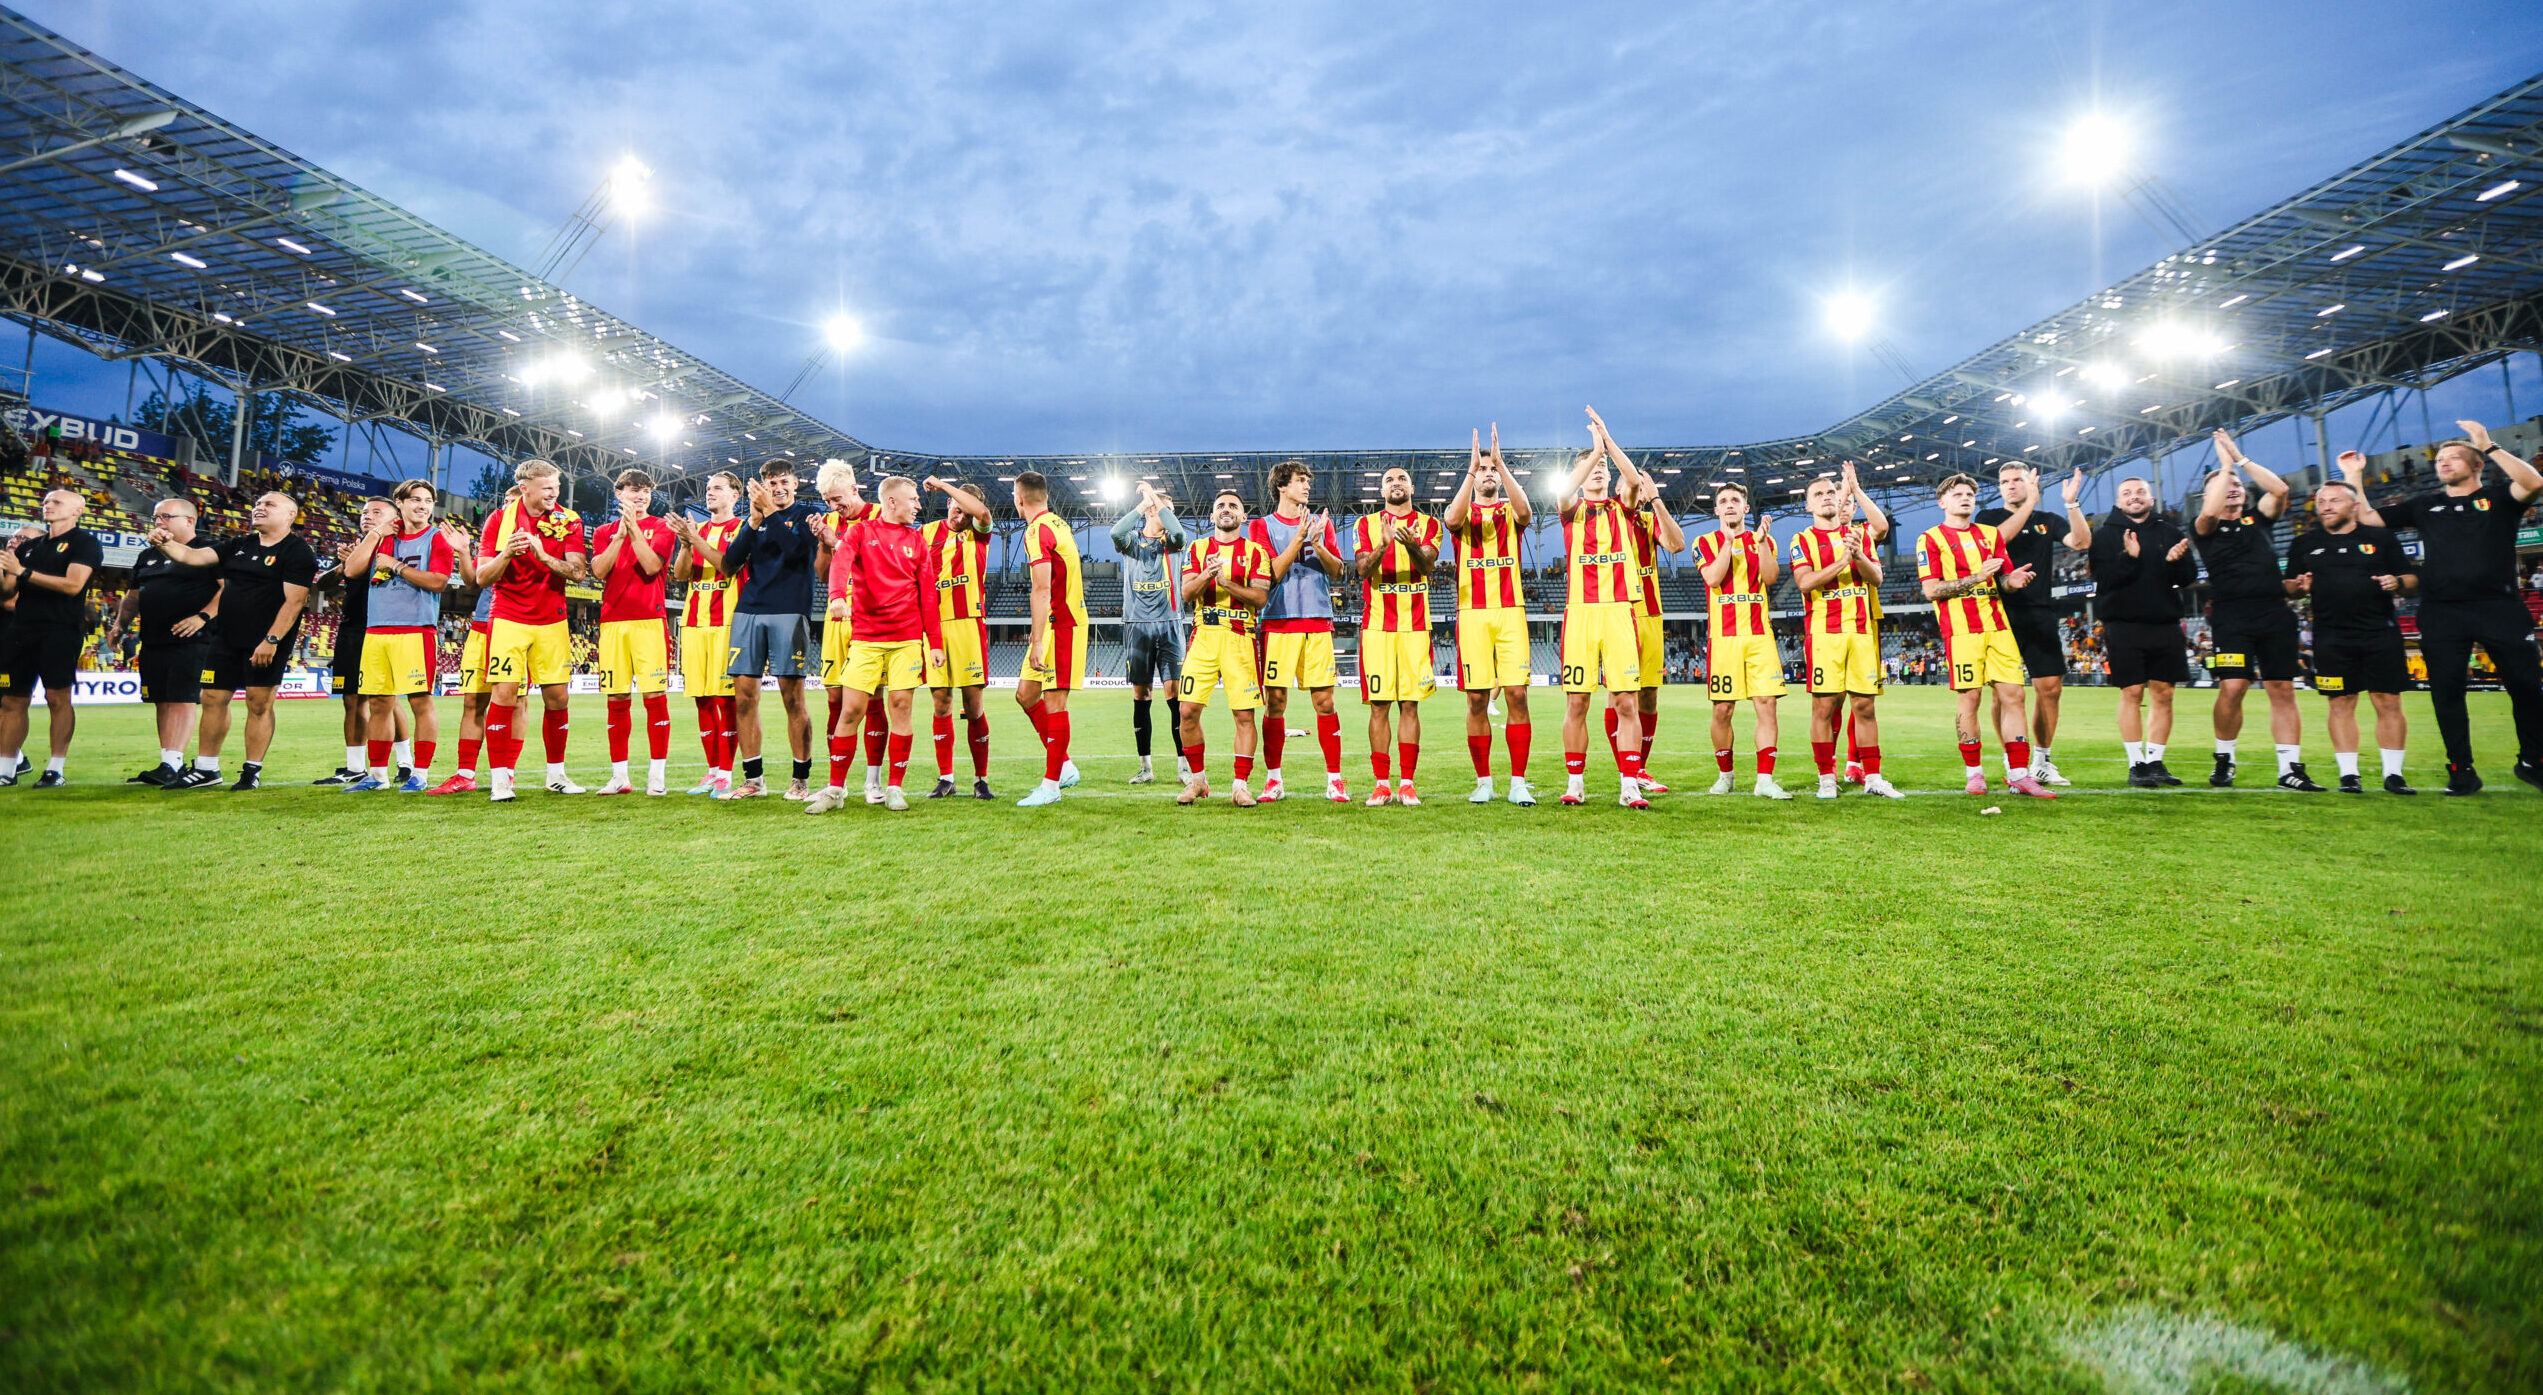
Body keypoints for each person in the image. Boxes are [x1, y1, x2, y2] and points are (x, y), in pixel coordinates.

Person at [2348, 421, 2543, 794]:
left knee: (2526, 686)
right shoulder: (2425, 505)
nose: (2444, 463)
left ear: (2476, 466)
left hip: (2500, 606)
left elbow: (2534, 482)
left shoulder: (2500, 498)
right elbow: (2368, 518)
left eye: (2454, 457)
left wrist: (2488, 445)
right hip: (2441, 611)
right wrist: (2355, 477)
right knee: (2447, 691)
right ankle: (2460, 769)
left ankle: (2533, 761)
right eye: (2440, 459)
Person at [158, 490, 318, 790]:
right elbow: (192, 556)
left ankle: (251, 770)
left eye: (268, 504)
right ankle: (207, 768)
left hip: (265, 640)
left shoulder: (297, 551)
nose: (259, 507)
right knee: (212, 698)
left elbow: (294, 602)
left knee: (259, 703)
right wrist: (166, 544)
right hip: (226, 637)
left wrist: (271, 640)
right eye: (257, 503)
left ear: (290, 515)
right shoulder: (240, 544)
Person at [806, 476, 942, 814]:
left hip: (906, 640)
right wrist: (837, 597)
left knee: (900, 707)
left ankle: (894, 787)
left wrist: (935, 643)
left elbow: (928, 596)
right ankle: (835, 790)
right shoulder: (861, 533)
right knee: (850, 710)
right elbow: (839, 563)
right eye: (913, 499)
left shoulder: (918, 542)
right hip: (866, 639)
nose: (918, 505)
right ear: (892, 502)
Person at [2192, 430, 2319, 791]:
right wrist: (2225, 466)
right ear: (2209, 494)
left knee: (2282, 688)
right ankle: (2225, 759)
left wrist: (2240, 461)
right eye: (2222, 485)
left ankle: (2290, 767)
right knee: (2233, 687)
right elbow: (2209, 511)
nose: (2232, 487)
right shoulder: (2206, 527)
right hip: (2231, 615)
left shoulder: (2257, 519)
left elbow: (2279, 490)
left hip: (2274, 613)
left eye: (2237, 484)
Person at [1917, 473, 2056, 798]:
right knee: (1971, 698)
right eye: (1957, 494)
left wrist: (2013, 581)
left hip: (1998, 626)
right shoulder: (1931, 539)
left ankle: (2019, 774)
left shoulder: (1990, 535)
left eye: (1969, 494)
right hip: (1961, 631)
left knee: (2015, 696)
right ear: (1943, 502)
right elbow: (1932, 590)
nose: (1965, 498)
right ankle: (1974, 773)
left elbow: (2002, 578)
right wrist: (1978, 577)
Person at [2287, 467, 2417, 794]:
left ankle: (2393, 775)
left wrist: (2397, 582)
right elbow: (2289, 587)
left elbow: (2412, 580)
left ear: (2354, 505)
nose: (2325, 506)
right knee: (2340, 703)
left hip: (2380, 632)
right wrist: (2297, 587)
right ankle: (2349, 775)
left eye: (2333, 500)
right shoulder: (2303, 543)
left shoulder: (2381, 538)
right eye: (2321, 501)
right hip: (2331, 636)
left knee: (2388, 700)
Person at [474, 459, 588, 802]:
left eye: (556, 487)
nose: (554, 493)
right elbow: (482, 577)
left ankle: (556, 774)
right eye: (547, 488)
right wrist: (507, 553)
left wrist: (541, 554)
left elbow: (578, 572)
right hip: (508, 616)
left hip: (551, 618)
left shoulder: (569, 521)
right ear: (525, 488)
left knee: (558, 698)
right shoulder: (499, 520)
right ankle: (500, 780)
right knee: (505, 693)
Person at [1554, 409, 1651, 808]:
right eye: (1589, 467)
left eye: (1601, 467)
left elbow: (1633, 480)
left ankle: (1629, 782)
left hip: (1617, 612)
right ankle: (1575, 782)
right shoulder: (1571, 511)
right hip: (1580, 612)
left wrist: (1607, 442)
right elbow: (1563, 492)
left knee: (1626, 700)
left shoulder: (1620, 507)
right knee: (1577, 701)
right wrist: (1594, 453)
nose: (1597, 471)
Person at [708, 458, 821, 799]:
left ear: (795, 482)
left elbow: (797, 551)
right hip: (749, 610)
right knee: (743, 697)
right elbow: (730, 563)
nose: (778, 488)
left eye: (784, 481)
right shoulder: (755, 518)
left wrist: (769, 513)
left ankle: (800, 779)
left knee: (793, 697)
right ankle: (753, 780)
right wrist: (754, 521)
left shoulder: (807, 515)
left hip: (790, 610)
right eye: (771, 483)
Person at [1787, 464, 1902, 799]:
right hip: (1825, 634)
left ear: (1841, 499)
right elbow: (1805, 583)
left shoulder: (1861, 534)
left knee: (1865, 707)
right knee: (1824, 708)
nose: (1826, 498)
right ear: (1808, 505)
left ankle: (1873, 777)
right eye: (1818, 495)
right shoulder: (1803, 539)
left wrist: (1859, 556)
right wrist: (1842, 561)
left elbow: (1877, 578)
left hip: (1863, 631)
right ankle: (1826, 778)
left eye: (1831, 493)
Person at [1975, 463, 2091, 786]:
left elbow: (2081, 542)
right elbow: (1998, 539)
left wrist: (2071, 504)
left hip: (2039, 612)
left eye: (2017, 480)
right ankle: (2010, 756)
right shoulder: (1988, 519)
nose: (2010, 486)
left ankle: (2042, 760)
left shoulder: (2048, 521)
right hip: (2000, 614)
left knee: (2050, 688)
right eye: (2004, 481)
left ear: (2032, 483)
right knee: (2004, 694)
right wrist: (2029, 505)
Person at [1443, 424, 1536, 806]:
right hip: (1472, 613)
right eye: (1482, 471)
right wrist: (1470, 469)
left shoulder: (1508, 511)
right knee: (1477, 699)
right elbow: (1450, 520)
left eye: (1492, 470)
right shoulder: (1464, 514)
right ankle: (1484, 781)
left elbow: (1527, 512)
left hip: (1511, 610)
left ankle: (1518, 782)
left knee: (1516, 694)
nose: (1487, 474)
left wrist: (1500, 462)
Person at [343, 479, 455, 791]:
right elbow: (351, 570)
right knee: (379, 703)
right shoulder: (382, 538)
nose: (423, 506)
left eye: (428, 501)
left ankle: (419, 774)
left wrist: (396, 566)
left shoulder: (436, 539)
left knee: (420, 702)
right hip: (377, 630)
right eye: (416, 500)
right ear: (400, 505)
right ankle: (377, 776)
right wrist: (376, 533)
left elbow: (438, 582)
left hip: (415, 631)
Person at [1249, 460, 1351, 802]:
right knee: (1275, 703)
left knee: (1325, 701)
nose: (1307, 486)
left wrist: (1319, 543)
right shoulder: (1261, 527)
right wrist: (1299, 539)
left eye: (1308, 481)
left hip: (1317, 620)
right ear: (1282, 486)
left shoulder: (1323, 523)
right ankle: (1274, 780)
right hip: (1278, 621)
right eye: (1300, 481)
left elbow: (1338, 572)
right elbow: (1271, 573)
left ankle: (1335, 780)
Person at [2087, 475, 2199, 788]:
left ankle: (2156, 761)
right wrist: (2128, 557)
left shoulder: (2169, 530)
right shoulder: (2105, 535)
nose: (2134, 497)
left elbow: (2188, 576)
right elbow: (2102, 578)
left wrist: (2177, 563)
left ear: (2150, 498)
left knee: (2165, 692)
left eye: (2140, 492)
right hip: (2122, 623)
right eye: (2127, 493)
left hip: (2164, 622)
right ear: (2118, 501)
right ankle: (2136, 763)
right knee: (2132, 692)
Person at [111, 497, 221, 788]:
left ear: (189, 521)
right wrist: (119, 625)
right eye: (156, 517)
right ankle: (169, 762)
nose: (159, 521)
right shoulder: (147, 555)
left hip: (193, 639)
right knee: (161, 699)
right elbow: (133, 596)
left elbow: (228, 589)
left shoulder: (209, 549)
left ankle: (173, 761)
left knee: (183, 698)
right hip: (153, 637)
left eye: (166, 516)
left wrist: (203, 617)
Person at [1176, 488, 1275, 807]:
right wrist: (1208, 573)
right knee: (1187, 711)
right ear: (1212, 515)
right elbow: (1187, 593)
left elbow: (1261, 598)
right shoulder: (1198, 548)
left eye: (1234, 505)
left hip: (1241, 637)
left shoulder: (1256, 551)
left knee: (1244, 715)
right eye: (1220, 506)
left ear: (1244, 516)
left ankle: (1240, 785)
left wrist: (1226, 583)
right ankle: (1198, 781)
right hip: (1204, 634)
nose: (1227, 509)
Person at [0, 490, 103, 786]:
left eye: (56, 501)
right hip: (21, 629)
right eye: (45, 501)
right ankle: (6, 770)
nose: (47, 504)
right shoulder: (30, 546)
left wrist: (22, 571)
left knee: (57, 698)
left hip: (60, 629)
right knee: (12, 699)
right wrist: (5, 571)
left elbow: (73, 585)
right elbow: (7, 591)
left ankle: (55, 769)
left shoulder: (85, 543)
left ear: (77, 510)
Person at [1353, 466, 1441, 806]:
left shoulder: (1429, 524)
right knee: (1379, 706)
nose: (1395, 484)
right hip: (1377, 627)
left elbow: (1428, 566)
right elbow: (1362, 569)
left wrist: (1413, 545)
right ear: (1382, 490)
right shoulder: (1366, 524)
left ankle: (1406, 783)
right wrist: (1384, 545)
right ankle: (1381, 784)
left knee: (1410, 705)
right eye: (1389, 480)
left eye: (1401, 479)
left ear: (1412, 487)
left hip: (1416, 627)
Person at [1694, 479, 1787, 799]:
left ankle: (1765, 779)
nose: (1730, 504)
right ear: (1717, 509)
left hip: (1760, 636)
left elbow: (1771, 577)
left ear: (1746, 508)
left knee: (1767, 705)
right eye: (1724, 500)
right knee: (1722, 710)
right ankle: (1726, 775)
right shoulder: (1704, 541)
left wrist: (1760, 541)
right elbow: (1713, 578)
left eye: (1736, 500)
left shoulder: (1765, 540)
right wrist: (1728, 543)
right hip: (1724, 639)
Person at [589, 469, 678, 796]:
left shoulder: (662, 527)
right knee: (616, 698)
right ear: (619, 494)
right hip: (612, 623)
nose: (640, 497)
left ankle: (657, 776)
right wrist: (619, 535)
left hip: (649, 622)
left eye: (645, 492)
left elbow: (653, 566)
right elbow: (599, 570)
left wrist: (635, 531)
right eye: (633, 491)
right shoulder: (603, 532)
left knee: (654, 697)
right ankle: (619, 777)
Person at [1612, 414, 1685, 794]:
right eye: (1630, 483)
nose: (1634, 489)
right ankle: (1627, 769)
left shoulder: (1647, 520)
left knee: (1649, 694)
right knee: (1619, 693)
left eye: (1639, 485)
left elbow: (1676, 545)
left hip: (1650, 614)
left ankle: (1640, 768)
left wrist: (1655, 499)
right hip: (1617, 613)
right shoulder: (1610, 517)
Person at [312, 499, 408, 786]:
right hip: (352, 630)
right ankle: (355, 767)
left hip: (386, 629)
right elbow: (323, 584)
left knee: (388, 700)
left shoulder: (402, 547)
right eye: (365, 512)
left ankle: (405, 763)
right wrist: (341, 567)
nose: (367, 516)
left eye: (376, 512)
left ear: (394, 517)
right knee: (351, 699)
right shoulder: (356, 548)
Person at [809, 462, 887, 803]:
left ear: (855, 489)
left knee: (872, 700)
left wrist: (835, 541)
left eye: (837, 499)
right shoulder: (830, 522)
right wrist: (825, 543)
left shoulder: (882, 514)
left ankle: (873, 781)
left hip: (870, 617)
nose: (833, 507)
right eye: (827, 500)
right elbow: (823, 575)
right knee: (834, 700)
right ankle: (835, 783)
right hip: (836, 617)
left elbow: (882, 564)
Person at [667, 472, 746, 795]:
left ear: (735, 495)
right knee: (701, 698)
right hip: (695, 622)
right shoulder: (695, 530)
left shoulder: (741, 529)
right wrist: (686, 545)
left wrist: (694, 539)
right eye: (708, 488)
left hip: (727, 622)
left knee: (725, 699)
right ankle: (712, 771)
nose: (710, 493)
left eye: (718, 488)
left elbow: (729, 566)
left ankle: (727, 773)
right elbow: (681, 574)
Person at [1013, 470, 1088, 807]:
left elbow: (1042, 587)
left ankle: (1051, 785)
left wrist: (1037, 639)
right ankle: (1066, 765)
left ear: (1019, 499)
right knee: (1026, 694)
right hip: (1058, 622)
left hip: (1062, 625)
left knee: (1055, 702)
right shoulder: (1057, 523)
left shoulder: (1036, 529)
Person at [919, 477, 996, 800]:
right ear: (948, 506)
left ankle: (981, 779)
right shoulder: (927, 533)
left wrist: (944, 486)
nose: (958, 516)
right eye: (954, 509)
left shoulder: (979, 533)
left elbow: (983, 512)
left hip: (967, 625)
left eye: (964, 511)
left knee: (973, 707)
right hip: (935, 627)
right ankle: (946, 777)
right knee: (941, 703)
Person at [1112, 480, 1189, 786]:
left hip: (1170, 624)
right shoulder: (1131, 543)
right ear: (1148, 514)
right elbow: (1115, 533)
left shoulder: (1174, 544)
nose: (1167, 518)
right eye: (1161, 512)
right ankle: (1146, 767)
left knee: (1175, 696)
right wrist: (1144, 505)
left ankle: (1184, 767)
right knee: (1142, 695)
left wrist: (1157, 500)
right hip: (1137, 626)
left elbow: (1179, 530)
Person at [427, 511, 497, 795]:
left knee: (514, 703)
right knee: (473, 702)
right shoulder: (491, 540)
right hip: (481, 626)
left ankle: (507, 773)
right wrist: (464, 551)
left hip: (516, 626)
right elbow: (472, 583)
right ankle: (465, 773)